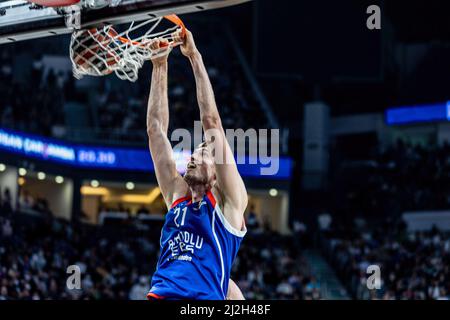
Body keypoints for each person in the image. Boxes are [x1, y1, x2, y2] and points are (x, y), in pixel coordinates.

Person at [145, 29, 247, 300]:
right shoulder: (177, 196)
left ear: (217, 174)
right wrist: (159, 65)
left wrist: (194, 56)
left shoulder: (229, 207)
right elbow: (156, 130)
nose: (192, 156)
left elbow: (212, 123)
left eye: (203, 151)